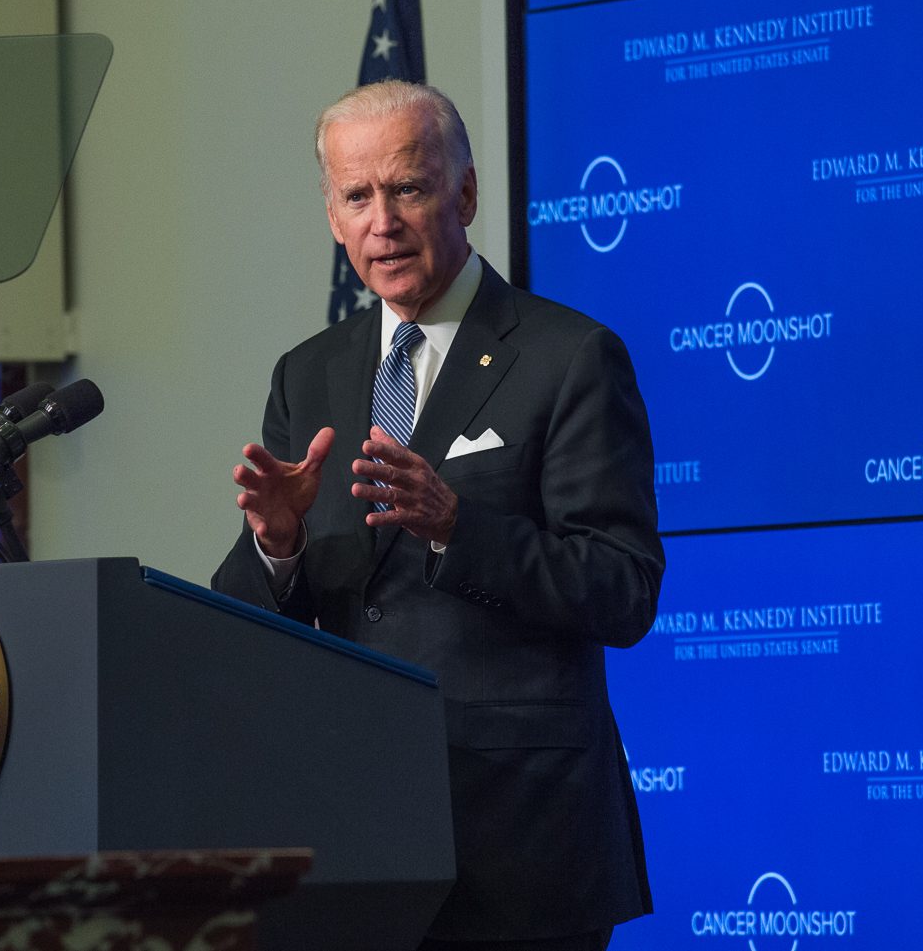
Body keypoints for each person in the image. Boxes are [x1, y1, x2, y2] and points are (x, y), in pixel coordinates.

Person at [212, 80, 664, 950]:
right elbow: (253, 621)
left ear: (463, 194)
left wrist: (458, 526)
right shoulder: (306, 375)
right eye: (357, 196)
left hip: (522, 842)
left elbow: (624, 587)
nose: (382, 220)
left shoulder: (570, 357)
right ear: (333, 218)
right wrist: (277, 543)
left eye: (408, 188)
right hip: (358, 845)